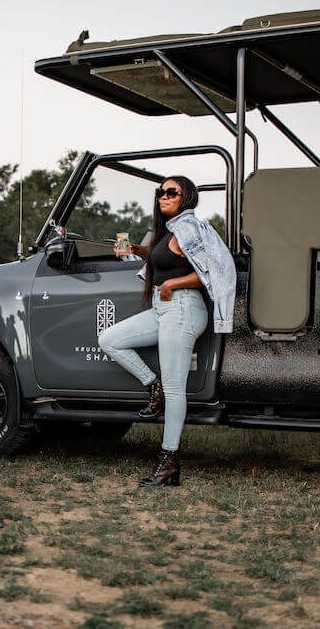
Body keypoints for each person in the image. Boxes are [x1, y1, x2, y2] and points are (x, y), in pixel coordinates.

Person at [98, 176, 235, 487]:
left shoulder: (188, 226)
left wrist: (173, 283)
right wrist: (133, 248)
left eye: (171, 192)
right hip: (164, 309)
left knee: (176, 390)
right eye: (160, 192)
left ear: (186, 196)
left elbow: (210, 269)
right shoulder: (171, 230)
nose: (163, 196)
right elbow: (163, 257)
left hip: (184, 309)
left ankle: (168, 461)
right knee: (110, 339)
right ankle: (152, 385)